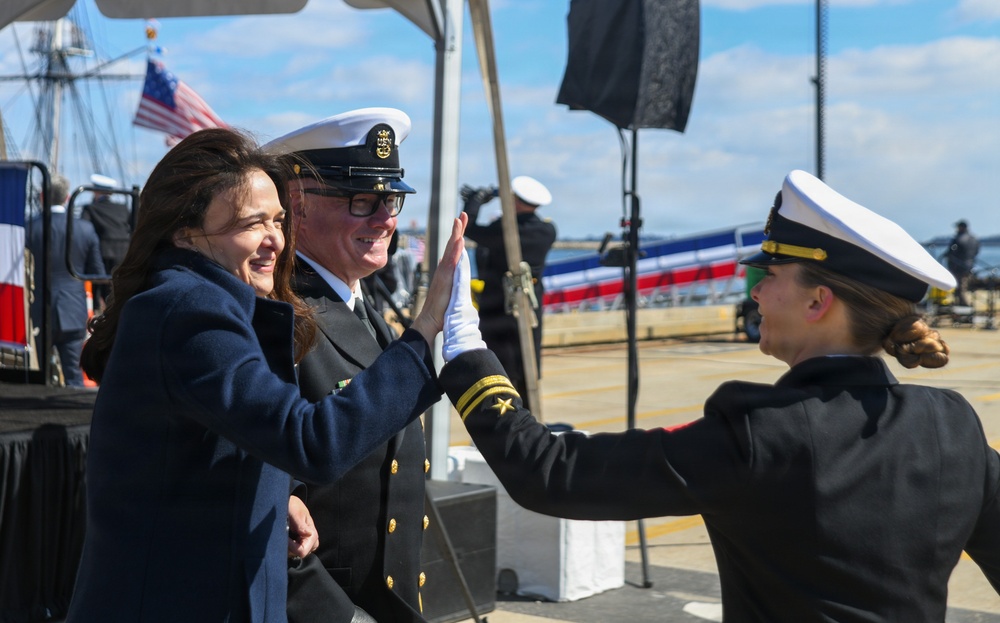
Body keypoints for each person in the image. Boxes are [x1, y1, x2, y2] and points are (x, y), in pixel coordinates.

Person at [436, 169, 1000, 621]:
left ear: (817, 302)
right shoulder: (953, 425)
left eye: (768, 276)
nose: (756, 294)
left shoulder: (763, 434)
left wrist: (465, 349)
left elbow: (551, 472)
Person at [66, 127, 470, 622]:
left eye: (277, 220)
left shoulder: (208, 301)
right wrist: (425, 330)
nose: (275, 240)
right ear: (184, 232)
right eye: (251, 223)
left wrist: (282, 495)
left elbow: (229, 436)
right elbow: (308, 442)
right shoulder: (191, 309)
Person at [263, 108, 431, 623]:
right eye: (361, 201)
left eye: (391, 200)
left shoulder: (363, 311)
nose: (384, 219)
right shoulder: (279, 317)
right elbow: (265, 509)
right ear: (298, 205)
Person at [460, 175, 556, 398]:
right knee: (527, 365)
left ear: (517, 202)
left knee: (499, 369)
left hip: (499, 305)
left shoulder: (504, 230)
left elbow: (468, 228)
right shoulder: (548, 231)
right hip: (530, 305)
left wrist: (475, 202)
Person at [27, 173, 105, 387]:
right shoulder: (85, 229)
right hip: (73, 308)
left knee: (38, 377)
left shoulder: (29, 227)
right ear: (68, 197)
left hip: (39, 309)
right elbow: (97, 272)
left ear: (42, 197)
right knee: (73, 374)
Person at [80, 173, 132, 310]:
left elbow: (83, 230)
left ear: (96, 191)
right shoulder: (123, 208)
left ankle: (97, 309)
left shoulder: (90, 208)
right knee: (118, 292)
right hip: (123, 254)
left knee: (98, 287)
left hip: (101, 255)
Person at [943, 219, 980, 307]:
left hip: (958, 267)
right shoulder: (974, 239)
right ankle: (963, 304)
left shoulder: (958, 239)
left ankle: (965, 305)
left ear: (961, 227)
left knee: (960, 287)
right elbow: (976, 252)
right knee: (964, 286)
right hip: (969, 266)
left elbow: (950, 252)